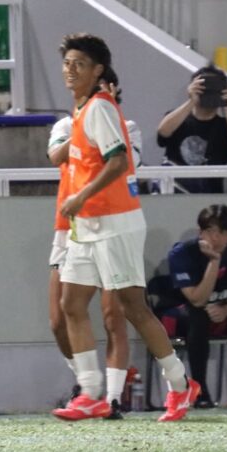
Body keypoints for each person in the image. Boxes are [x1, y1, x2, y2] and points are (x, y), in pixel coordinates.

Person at [52, 33, 199, 422]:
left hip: (115, 221)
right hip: (86, 224)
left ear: (98, 70)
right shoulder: (80, 111)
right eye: (67, 63)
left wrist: (80, 197)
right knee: (71, 304)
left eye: (80, 63)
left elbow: (118, 162)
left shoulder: (100, 108)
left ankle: (180, 383)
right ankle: (90, 393)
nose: (71, 69)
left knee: (133, 307)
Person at [47, 80, 140, 419]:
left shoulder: (129, 128)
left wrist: (104, 122)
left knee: (114, 317)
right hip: (69, 227)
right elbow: (56, 156)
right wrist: (87, 127)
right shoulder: (65, 124)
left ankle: (111, 398)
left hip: (111, 224)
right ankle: (86, 385)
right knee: (60, 318)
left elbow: (121, 165)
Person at [168, 204, 227, 409]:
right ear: (201, 233)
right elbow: (197, 299)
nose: (215, 238)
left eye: (221, 232)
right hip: (191, 311)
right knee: (198, 317)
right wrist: (214, 261)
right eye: (209, 231)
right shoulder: (182, 253)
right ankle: (200, 391)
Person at [155, 65, 227, 194]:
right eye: (203, 87)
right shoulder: (179, 118)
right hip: (174, 193)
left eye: (215, 89)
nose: (209, 92)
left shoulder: (226, 126)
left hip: (210, 197)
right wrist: (191, 101)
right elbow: (163, 132)